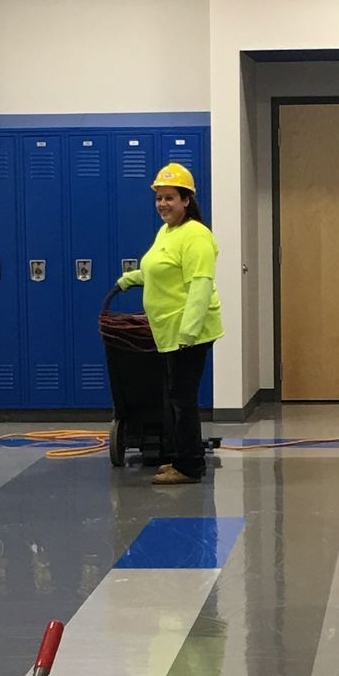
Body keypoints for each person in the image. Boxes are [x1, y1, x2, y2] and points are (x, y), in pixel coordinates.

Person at [116, 163, 223, 484]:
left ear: (186, 200)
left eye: (170, 198)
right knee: (174, 398)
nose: (163, 204)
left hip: (188, 333)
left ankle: (190, 466)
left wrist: (189, 333)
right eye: (159, 198)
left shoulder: (196, 236)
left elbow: (200, 286)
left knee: (182, 400)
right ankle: (179, 458)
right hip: (168, 331)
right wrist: (131, 279)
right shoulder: (168, 232)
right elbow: (160, 268)